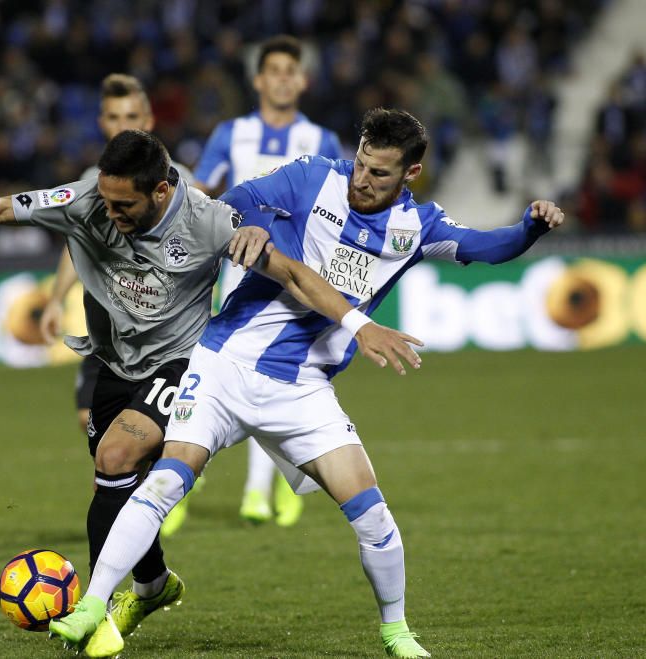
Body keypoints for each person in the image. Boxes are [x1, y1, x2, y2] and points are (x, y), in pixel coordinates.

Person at [48, 108, 565, 658]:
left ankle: (397, 632)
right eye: (362, 164)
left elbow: (490, 246)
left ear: (411, 173)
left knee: (372, 514)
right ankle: (91, 608)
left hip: (302, 389)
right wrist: (248, 223)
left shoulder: (418, 228)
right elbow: (233, 200)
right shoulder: (313, 177)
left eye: (380, 174)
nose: (363, 180)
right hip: (224, 363)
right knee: (165, 483)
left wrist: (531, 226)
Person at [193, 34, 345, 529]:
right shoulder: (229, 133)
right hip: (236, 270)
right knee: (232, 373)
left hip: (297, 277)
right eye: (273, 70)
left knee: (274, 372)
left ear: (302, 81)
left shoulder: (321, 140)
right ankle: (198, 477)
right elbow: (202, 192)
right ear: (258, 80)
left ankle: (261, 489)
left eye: (290, 71)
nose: (282, 78)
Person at [39, 73, 196, 436]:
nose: (121, 125)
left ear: (148, 121)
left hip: (161, 332)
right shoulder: (89, 181)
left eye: (130, 117)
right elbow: (76, 247)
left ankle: (164, 471)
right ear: (101, 123)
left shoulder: (179, 179)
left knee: (141, 433)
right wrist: (55, 300)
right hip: (108, 327)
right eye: (113, 117)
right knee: (89, 419)